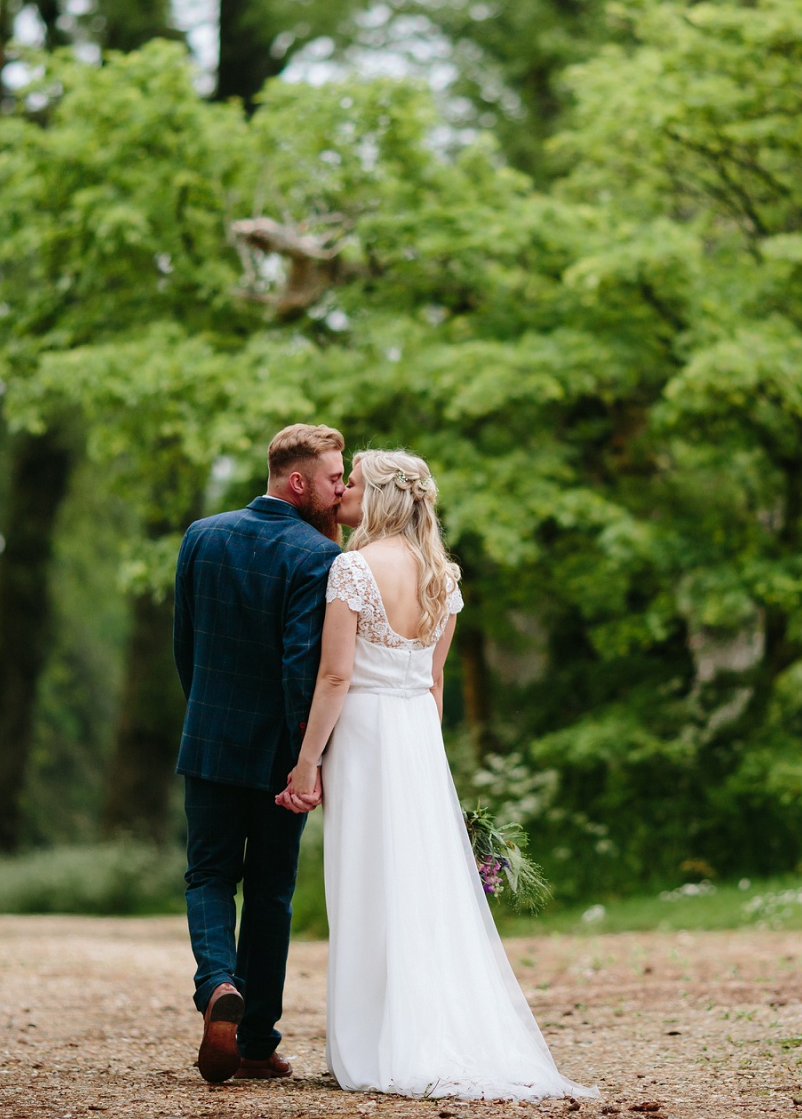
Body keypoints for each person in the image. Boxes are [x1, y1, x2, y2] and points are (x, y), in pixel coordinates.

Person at [276, 450, 594, 1101]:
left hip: (363, 738)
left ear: (383, 496)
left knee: (366, 884)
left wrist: (308, 761)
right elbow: (434, 681)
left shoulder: (353, 569)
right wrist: (428, 760)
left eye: (356, 482)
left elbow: (335, 676)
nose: (346, 492)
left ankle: (370, 1044)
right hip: (417, 736)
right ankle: (418, 1029)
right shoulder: (441, 576)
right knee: (418, 888)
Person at [172, 423, 344, 1083]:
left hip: (208, 737)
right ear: (297, 482)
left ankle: (217, 983)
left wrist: (205, 712)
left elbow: (185, 644)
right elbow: (302, 665)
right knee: (271, 891)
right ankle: (254, 1041)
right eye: (333, 478)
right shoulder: (316, 556)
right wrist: (310, 757)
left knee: (209, 874)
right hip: (280, 754)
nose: (339, 490)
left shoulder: (202, 535)